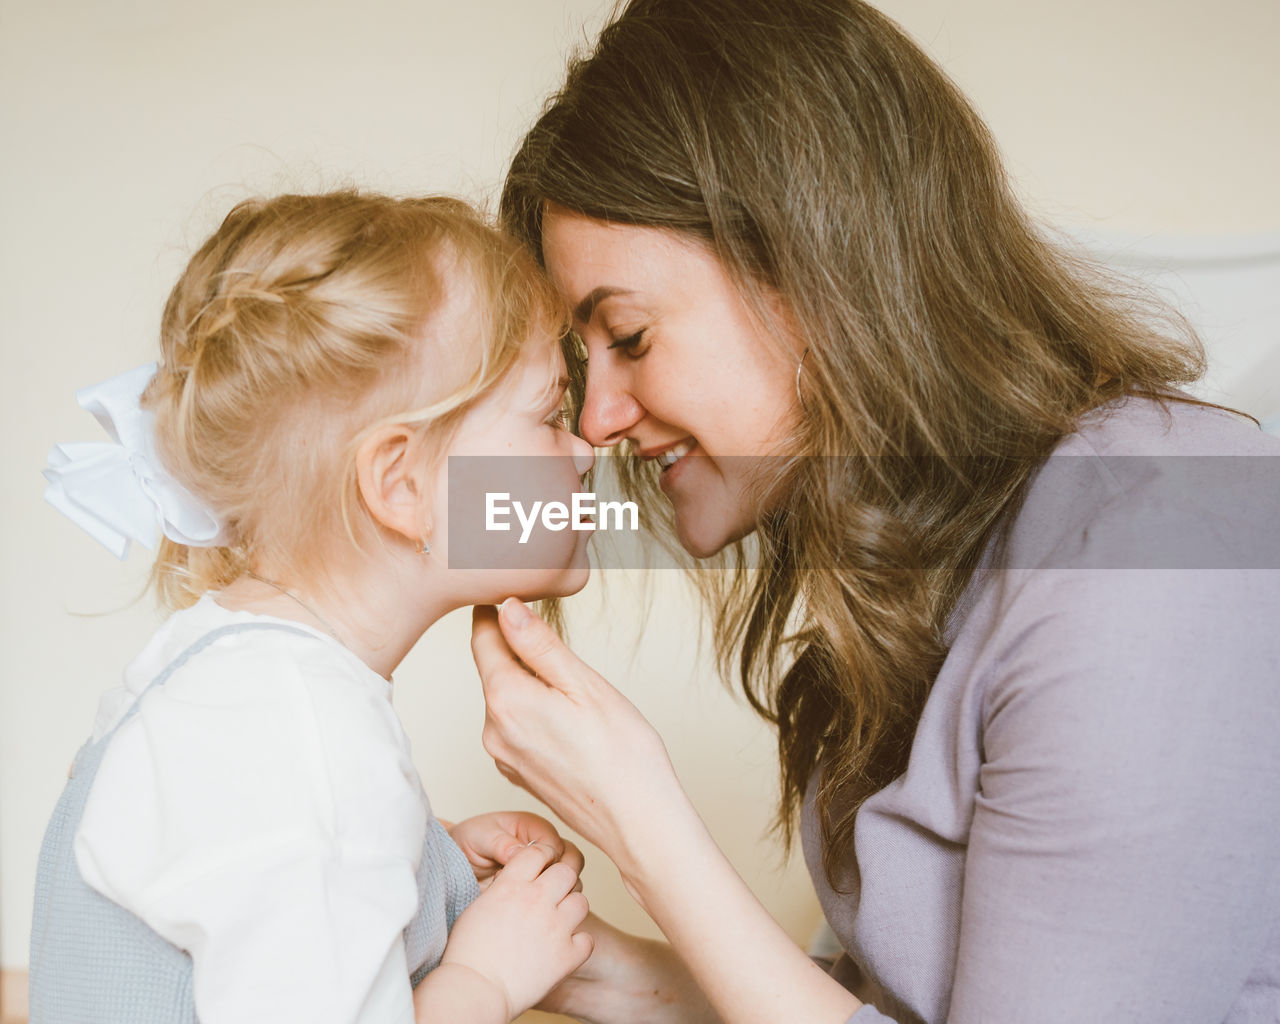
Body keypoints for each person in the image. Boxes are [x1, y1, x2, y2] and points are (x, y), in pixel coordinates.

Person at [470, 1, 1280, 1022]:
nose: (597, 419)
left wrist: (641, 823)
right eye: (580, 368)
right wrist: (548, 947)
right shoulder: (921, 577)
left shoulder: (1151, 547)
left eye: (626, 336)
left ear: (813, 272)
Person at [31, 192, 596, 1024]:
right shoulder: (307, 736)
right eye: (550, 415)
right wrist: (486, 978)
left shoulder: (229, 680)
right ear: (402, 486)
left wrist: (421, 865)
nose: (586, 453)